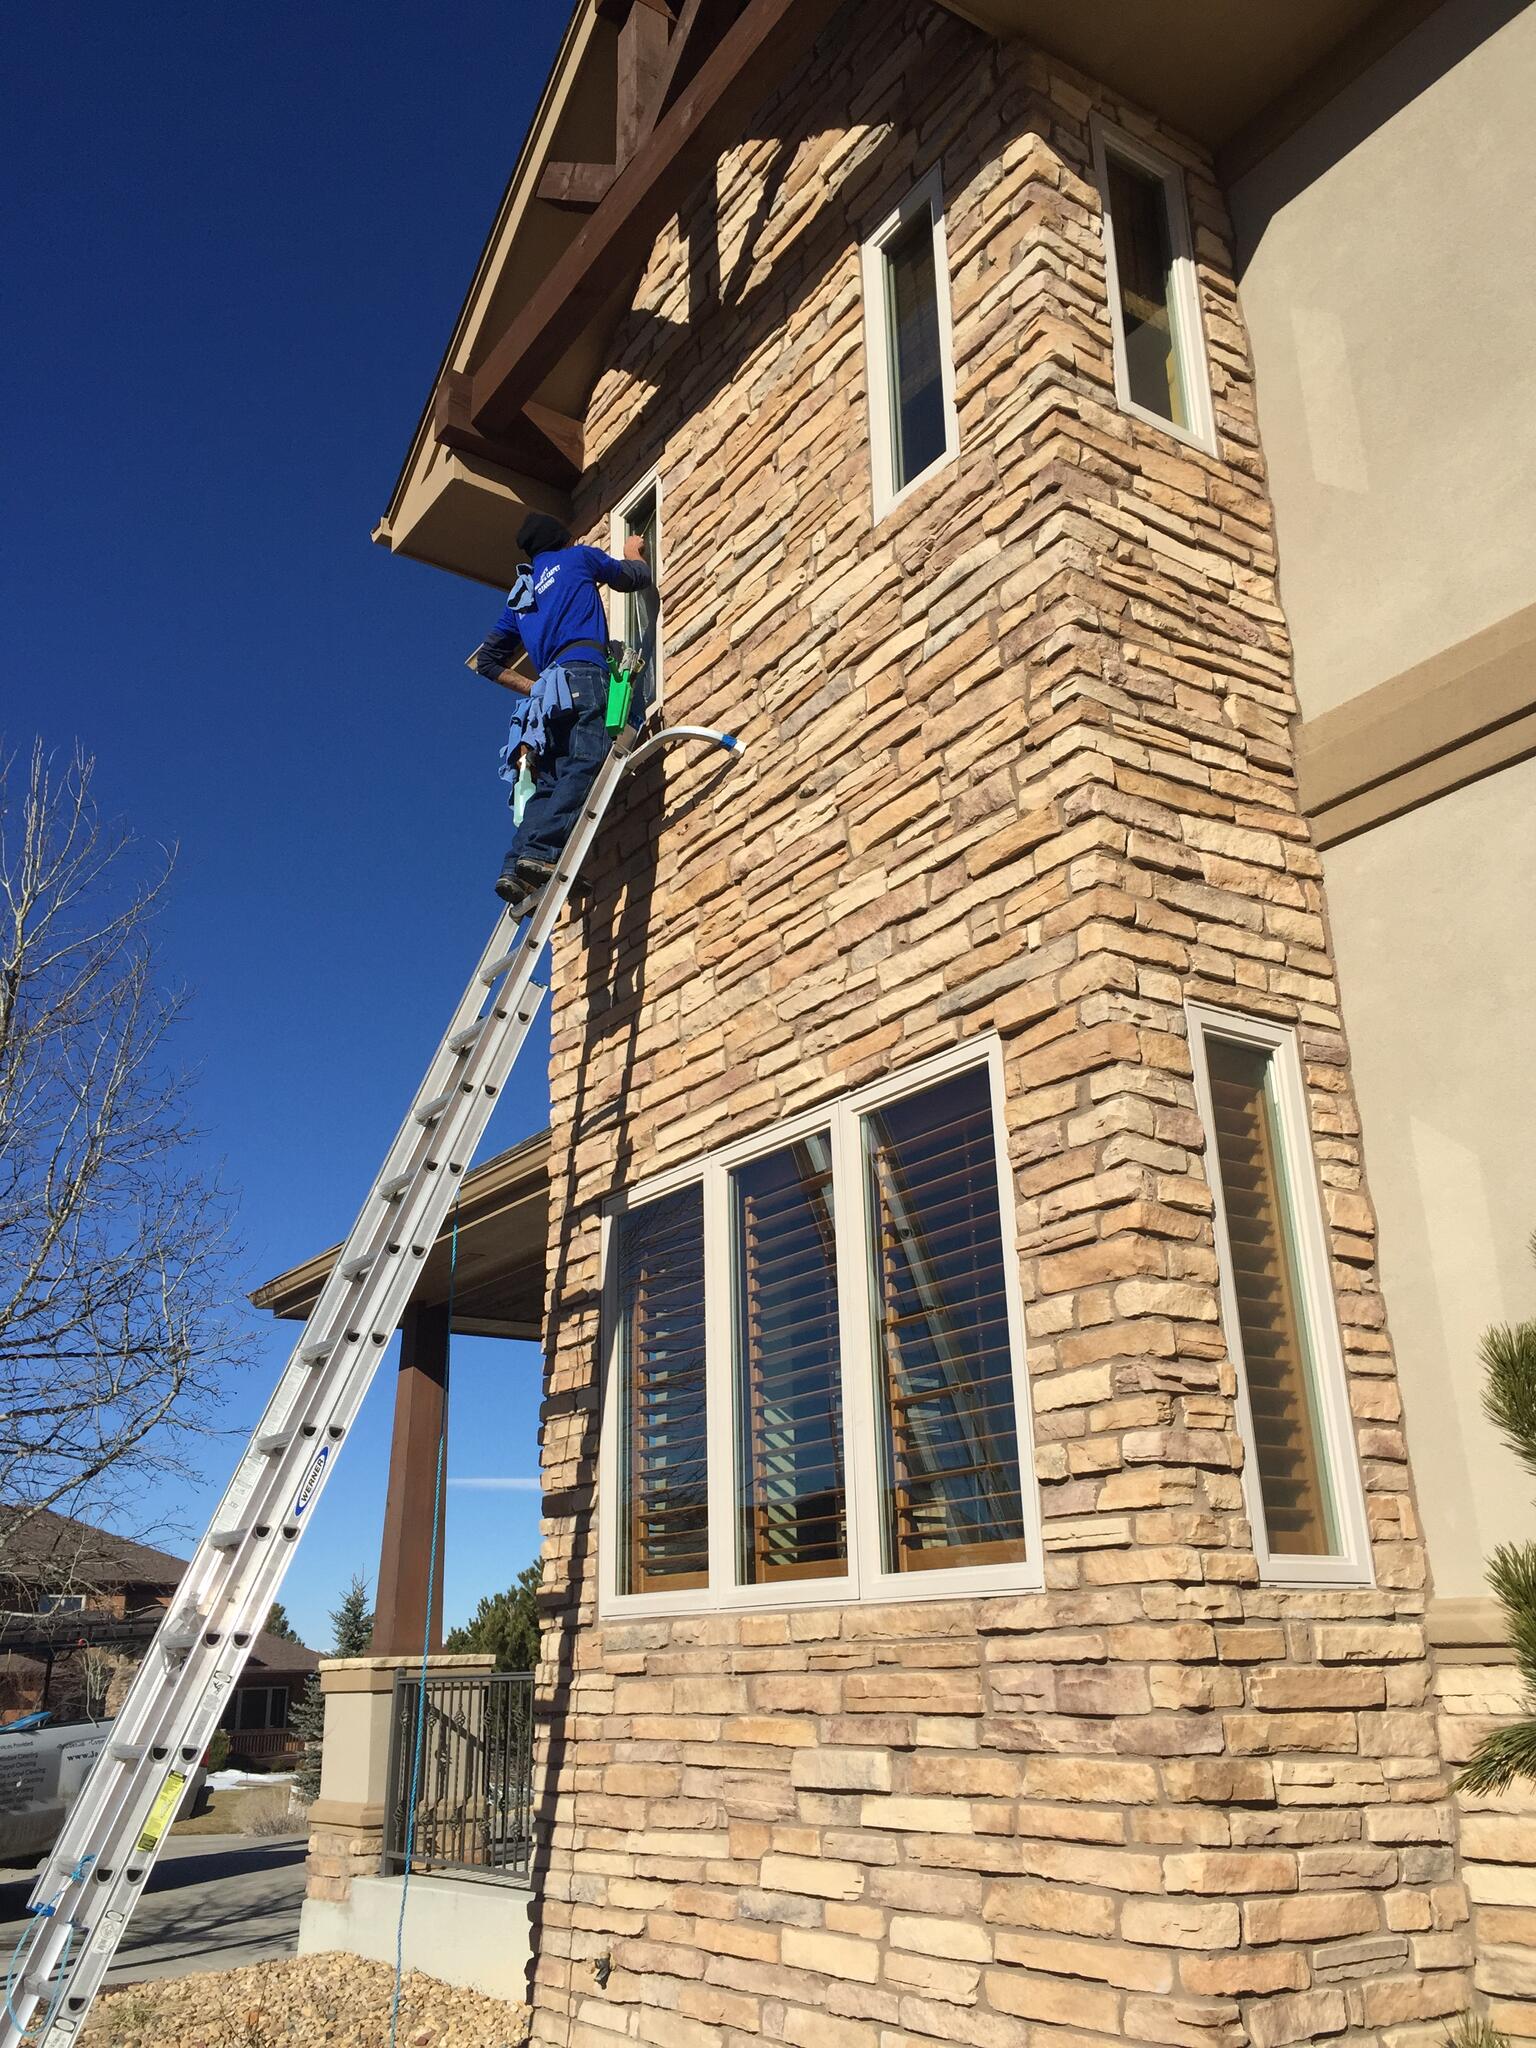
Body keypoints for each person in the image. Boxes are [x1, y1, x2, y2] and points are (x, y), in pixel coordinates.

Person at [468, 512, 653, 904]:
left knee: (549, 781)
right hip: (584, 674)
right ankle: (542, 852)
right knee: (587, 759)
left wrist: (535, 687)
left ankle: (515, 867)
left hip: (547, 698)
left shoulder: (521, 596)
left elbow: (487, 662)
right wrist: (633, 552)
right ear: (563, 540)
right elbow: (633, 579)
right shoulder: (577, 558)